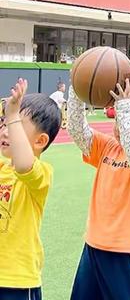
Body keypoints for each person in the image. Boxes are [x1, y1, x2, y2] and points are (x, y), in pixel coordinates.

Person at [67, 79, 130, 300]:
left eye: (127, 119)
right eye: (118, 120)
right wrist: (77, 89)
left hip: (128, 251)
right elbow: (77, 130)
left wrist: (123, 107)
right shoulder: (107, 146)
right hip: (94, 245)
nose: (118, 126)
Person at [0, 79, 61, 300]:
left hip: (16, 279)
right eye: (4, 123)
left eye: (15, 125)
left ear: (40, 141)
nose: (6, 131)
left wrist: (13, 115)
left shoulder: (41, 173)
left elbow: (24, 165)